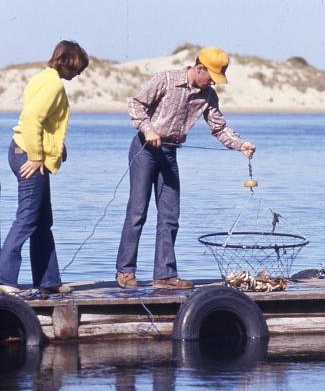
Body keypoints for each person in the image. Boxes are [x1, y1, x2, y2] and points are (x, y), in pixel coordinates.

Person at [116, 46, 256, 290]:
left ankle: (165, 275)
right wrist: (148, 130)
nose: (212, 82)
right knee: (138, 212)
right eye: (211, 77)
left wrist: (240, 145)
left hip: (169, 153)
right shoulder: (166, 80)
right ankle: (126, 271)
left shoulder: (208, 96)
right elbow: (136, 105)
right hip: (144, 150)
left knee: (170, 215)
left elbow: (219, 128)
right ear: (199, 68)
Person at [0, 40, 89, 295]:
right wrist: (37, 157)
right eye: (78, 69)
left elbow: (46, 123)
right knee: (27, 218)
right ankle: (4, 278)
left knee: (42, 221)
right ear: (68, 62)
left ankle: (49, 281)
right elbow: (31, 119)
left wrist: (56, 147)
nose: (78, 74)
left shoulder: (42, 77)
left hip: (25, 151)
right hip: (28, 155)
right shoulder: (53, 85)